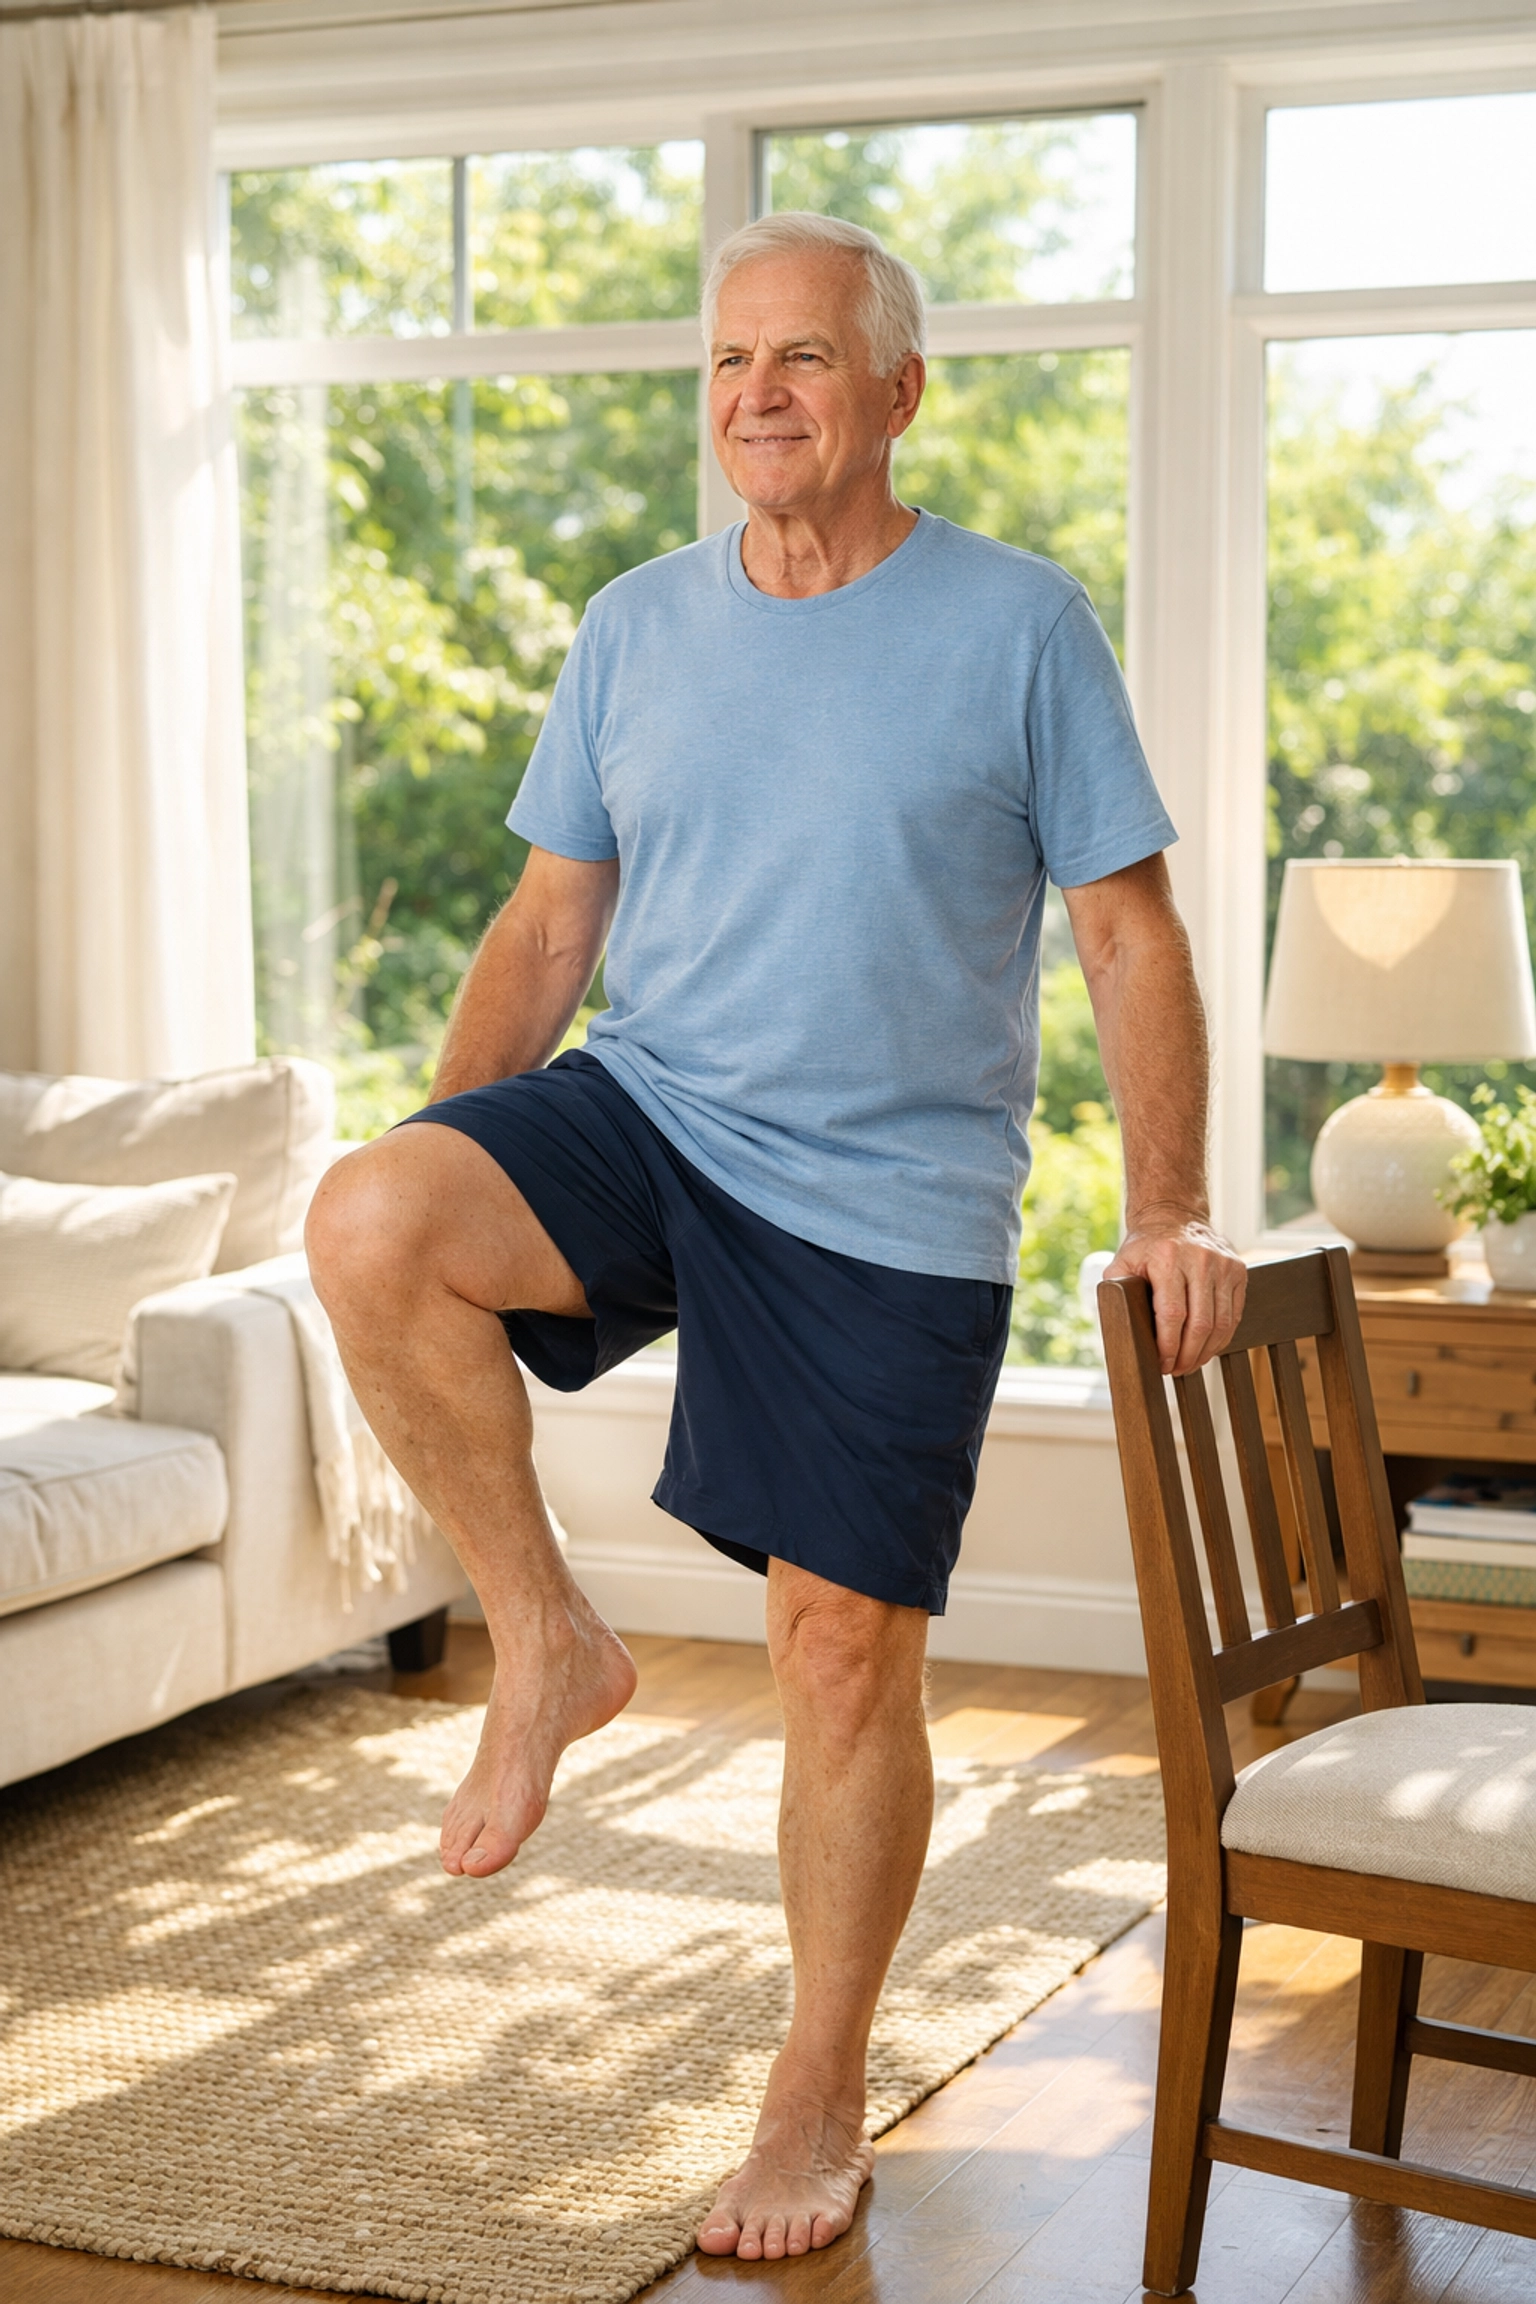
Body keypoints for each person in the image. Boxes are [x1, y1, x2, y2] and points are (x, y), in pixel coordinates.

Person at [305, 209, 1248, 2267]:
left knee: (839, 1654)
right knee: (373, 1209)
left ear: (898, 391)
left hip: (889, 1196)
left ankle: (815, 2091)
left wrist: (1171, 1204)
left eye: (803, 359)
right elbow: (552, 923)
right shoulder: (637, 621)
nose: (757, 396)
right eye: (730, 364)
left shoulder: (1019, 626)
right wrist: (449, 1135)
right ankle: (548, 1639)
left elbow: (1126, 929)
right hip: (662, 1111)